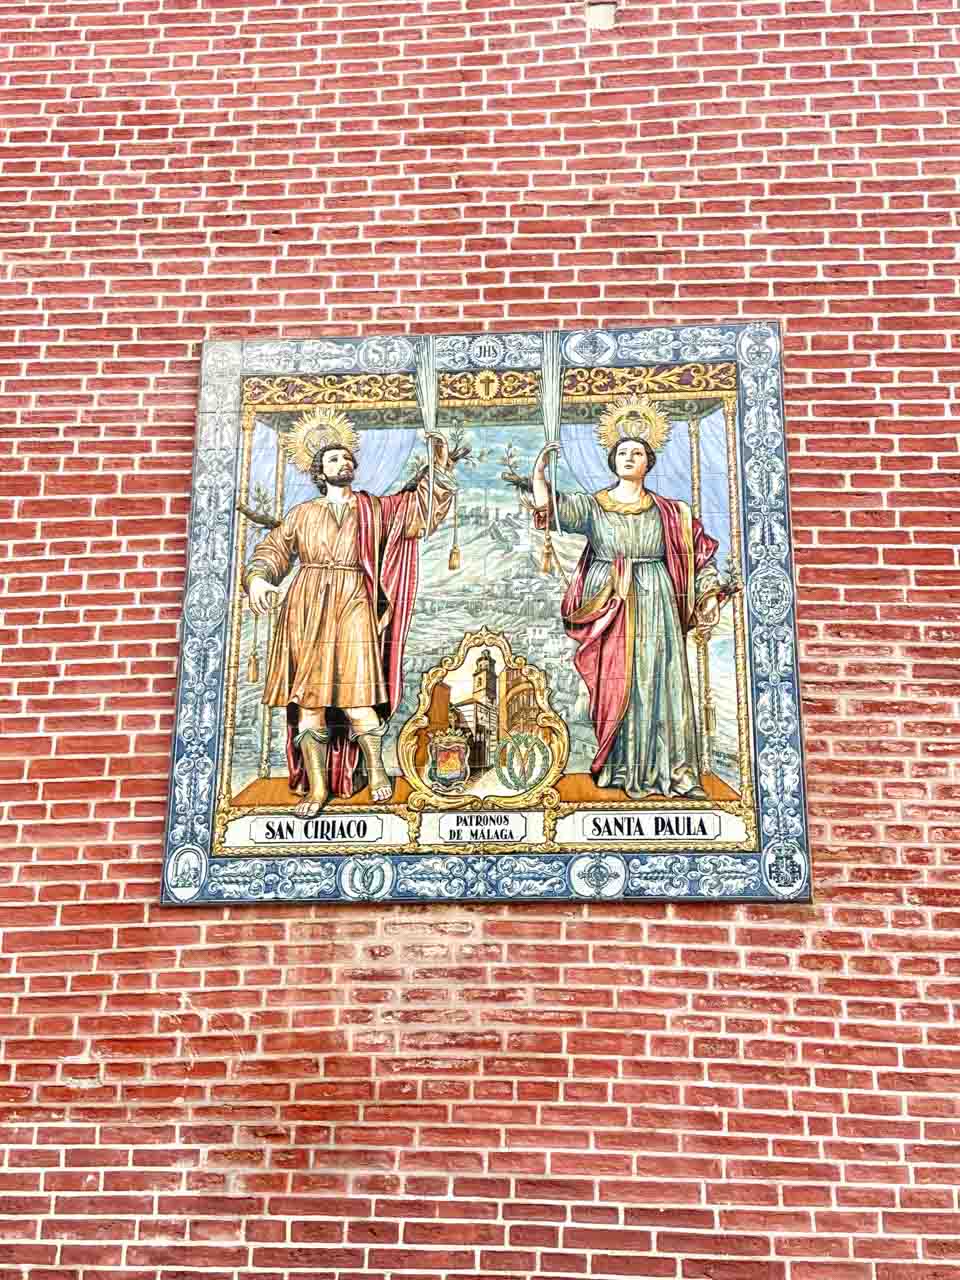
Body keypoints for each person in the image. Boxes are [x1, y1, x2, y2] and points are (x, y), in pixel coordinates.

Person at [246, 408, 455, 816]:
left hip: (354, 602)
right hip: (307, 606)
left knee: (359, 695)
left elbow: (417, 513)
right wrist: (258, 579)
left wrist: (440, 468)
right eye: (333, 459)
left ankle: (375, 771)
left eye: (346, 457)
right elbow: (274, 550)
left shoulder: (373, 509)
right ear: (319, 472)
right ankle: (317, 789)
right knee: (309, 703)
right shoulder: (302, 514)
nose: (343, 462)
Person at [532, 396, 721, 799]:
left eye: (636, 452)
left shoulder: (671, 512)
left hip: (658, 602)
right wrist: (540, 472)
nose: (629, 458)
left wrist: (706, 593)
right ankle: (619, 766)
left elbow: (700, 557)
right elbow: (551, 509)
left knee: (663, 683)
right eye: (622, 452)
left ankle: (677, 771)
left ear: (649, 461)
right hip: (611, 604)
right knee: (616, 685)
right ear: (612, 460)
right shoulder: (594, 507)